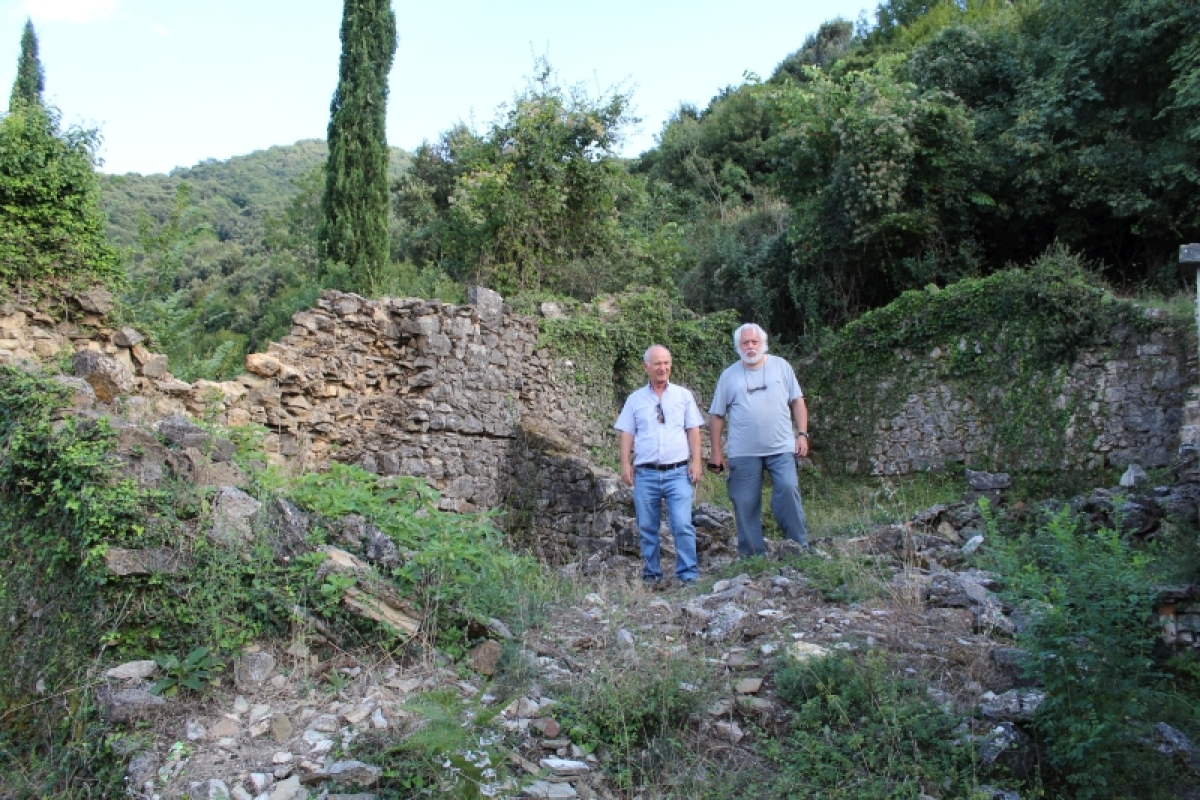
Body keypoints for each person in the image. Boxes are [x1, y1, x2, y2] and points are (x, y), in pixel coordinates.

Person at [708, 323, 811, 557]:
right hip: (743, 451)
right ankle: (752, 555)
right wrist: (716, 452)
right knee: (744, 501)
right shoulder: (729, 375)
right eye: (745, 342)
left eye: (754, 342)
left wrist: (802, 434)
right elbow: (716, 415)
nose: (750, 346)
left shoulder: (781, 366)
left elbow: (797, 401)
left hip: (781, 446)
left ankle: (797, 547)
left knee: (788, 488)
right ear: (738, 346)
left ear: (763, 343)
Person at [614, 344, 704, 586]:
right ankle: (651, 576)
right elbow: (626, 433)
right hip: (646, 474)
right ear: (646, 368)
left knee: (682, 524)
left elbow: (693, 429)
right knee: (646, 527)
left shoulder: (683, 396)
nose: (662, 368)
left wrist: (697, 462)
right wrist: (625, 464)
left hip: (678, 472)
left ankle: (688, 575)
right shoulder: (635, 400)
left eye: (666, 363)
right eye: (657, 364)